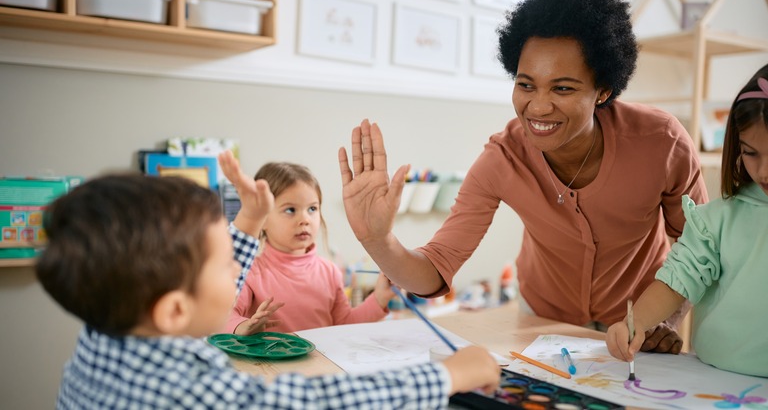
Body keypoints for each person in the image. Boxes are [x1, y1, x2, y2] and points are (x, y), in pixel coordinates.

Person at [339, 0, 708, 353]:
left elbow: (699, 248)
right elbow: (434, 270)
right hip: (543, 318)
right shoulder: (503, 158)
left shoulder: (662, 143)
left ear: (603, 90)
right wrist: (378, 240)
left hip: (639, 319)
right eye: (526, 84)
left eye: (563, 88)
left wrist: (662, 319)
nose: (538, 106)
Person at [37, 151, 500, 408]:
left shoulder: (105, 334)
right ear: (175, 310)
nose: (240, 266)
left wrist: (246, 222)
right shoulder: (188, 392)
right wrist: (443, 376)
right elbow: (316, 402)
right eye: (226, 263)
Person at [606, 57, 768, 378]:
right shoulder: (716, 220)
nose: (765, 170)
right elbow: (676, 281)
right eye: (751, 153)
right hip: (712, 378)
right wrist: (634, 324)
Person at [225, 161, 393, 335]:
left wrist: (379, 298)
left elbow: (344, 325)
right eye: (290, 210)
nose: (305, 219)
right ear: (263, 218)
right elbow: (225, 316)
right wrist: (243, 326)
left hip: (323, 362)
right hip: (272, 363)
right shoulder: (249, 271)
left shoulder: (330, 272)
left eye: (312, 208)